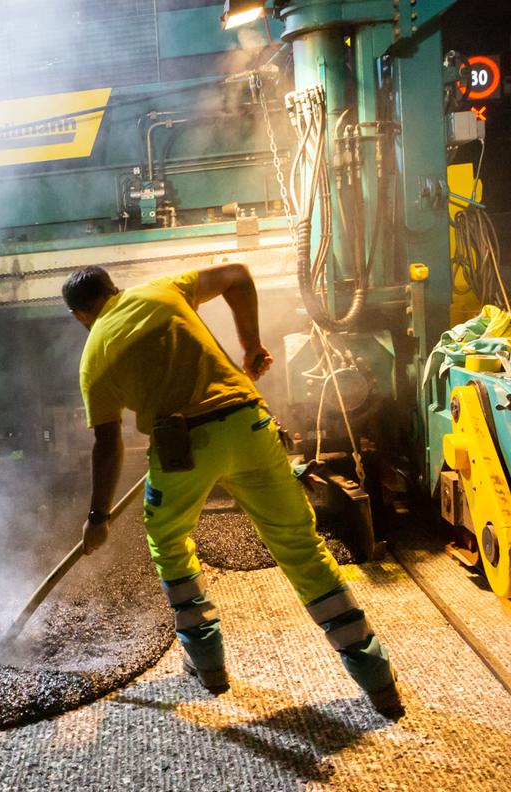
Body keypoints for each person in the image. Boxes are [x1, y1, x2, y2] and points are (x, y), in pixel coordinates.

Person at [63, 264, 401, 716]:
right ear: (114, 288)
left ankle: (207, 666)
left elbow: (108, 445)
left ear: (78, 315)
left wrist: (98, 519)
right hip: (249, 426)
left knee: (168, 540)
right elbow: (240, 275)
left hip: (182, 450)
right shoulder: (163, 290)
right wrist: (252, 346)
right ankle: (376, 678)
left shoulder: (94, 356)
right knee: (302, 548)